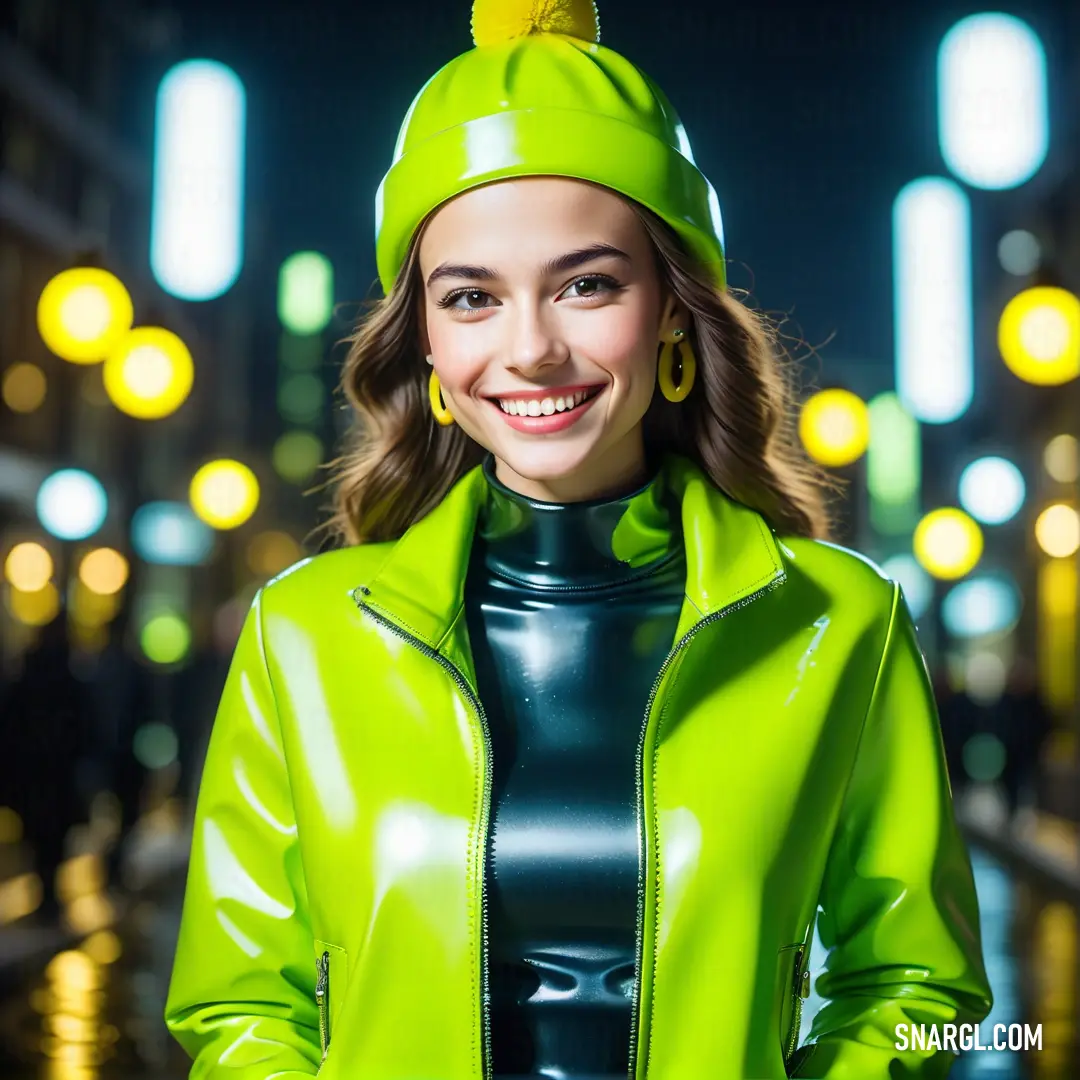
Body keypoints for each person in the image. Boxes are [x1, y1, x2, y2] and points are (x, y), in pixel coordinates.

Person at [163, 2, 993, 1077]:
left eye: (586, 284)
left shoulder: (840, 625)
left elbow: (922, 991)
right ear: (425, 343)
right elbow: (238, 1008)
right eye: (471, 299)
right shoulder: (302, 637)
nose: (531, 349)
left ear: (675, 312)